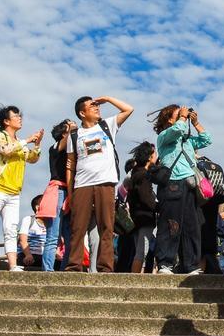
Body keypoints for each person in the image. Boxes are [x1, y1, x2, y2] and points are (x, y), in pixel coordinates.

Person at [65, 95, 135, 273]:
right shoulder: (74, 135)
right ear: (82, 113)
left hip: (106, 181)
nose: (97, 107)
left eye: (97, 105)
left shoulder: (107, 125)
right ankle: (74, 265)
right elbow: (70, 164)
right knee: (78, 227)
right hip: (82, 184)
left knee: (107, 226)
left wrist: (108, 99)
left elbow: (128, 109)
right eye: (92, 106)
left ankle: (105, 267)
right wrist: (70, 192)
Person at [0, 106, 43, 271]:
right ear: (6, 121)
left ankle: (13, 265)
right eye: (16, 116)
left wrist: (37, 145)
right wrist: (26, 140)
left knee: (11, 229)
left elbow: (32, 158)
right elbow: (6, 150)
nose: (20, 118)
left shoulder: (20, 142)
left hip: (14, 191)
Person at [150, 104, 212, 275]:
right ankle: (165, 263)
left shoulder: (187, 140)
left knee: (191, 226)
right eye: (177, 115)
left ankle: (190, 265)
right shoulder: (164, 137)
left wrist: (196, 122)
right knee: (171, 224)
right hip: (172, 183)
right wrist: (183, 118)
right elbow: (176, 130)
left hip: (189, 183)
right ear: (170, 119)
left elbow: (207, 139)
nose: (182, 117)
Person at [40, 120, 75, 272]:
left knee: (70, 237)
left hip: (69, 192)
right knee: (53, 236)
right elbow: (63, 143)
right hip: (57, 191)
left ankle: (64, 269)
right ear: (63, 133)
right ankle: (47, 271)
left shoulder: (72, 151)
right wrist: (72, 131)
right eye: (70, 126)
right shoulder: (54, 148)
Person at [126, 142, 159, 273]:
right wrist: (159, 207)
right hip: (145, 218)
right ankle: (135, 281)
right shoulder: (144, 176)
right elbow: (147, 198)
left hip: (136, 218)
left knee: (139, 251)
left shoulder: (135, 173)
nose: (156, 156)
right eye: (154, 153)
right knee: (141, 252)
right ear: (149, 157)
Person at [17, 195, 47, 270]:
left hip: (45, 256)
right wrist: (28, 255)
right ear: (37, 207)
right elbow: (22, 241)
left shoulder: (52, 223)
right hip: (28, 254)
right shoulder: (28, 220)